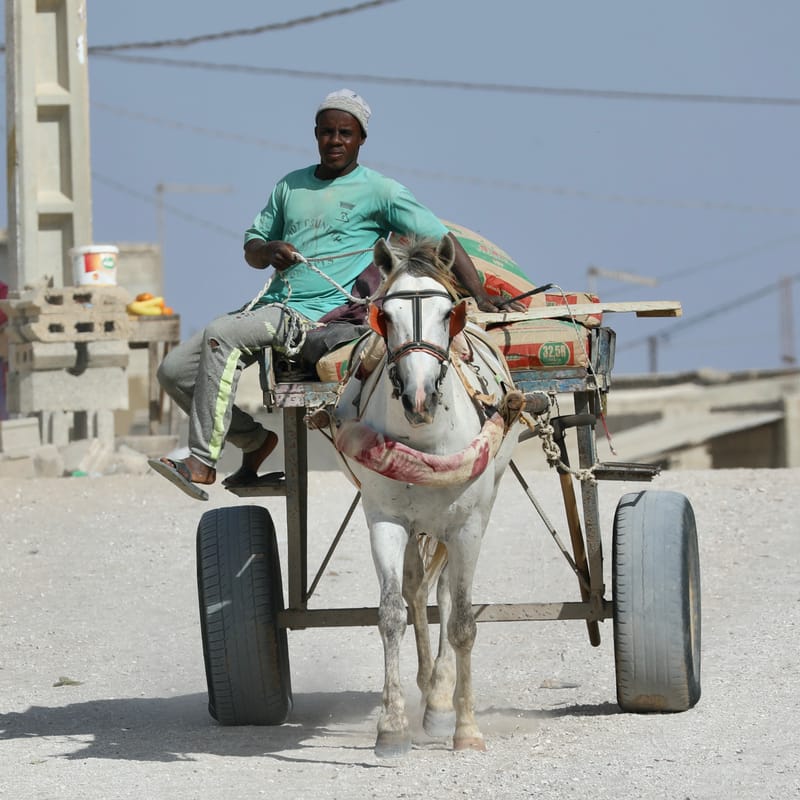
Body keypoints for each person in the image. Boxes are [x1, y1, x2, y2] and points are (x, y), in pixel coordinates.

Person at [149, 88, 517, 500]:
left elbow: (438, 235)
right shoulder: (290, 186)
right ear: (316, 134)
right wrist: (270, 250)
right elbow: (252, 247)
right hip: (276, 305)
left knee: (223, 332)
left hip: (321, 317)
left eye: (345, 133)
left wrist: (481, 296)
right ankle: (254, 441)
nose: (335, 141)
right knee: (174, 370)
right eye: (327, 132)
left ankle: (201, 462)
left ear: (361, 139)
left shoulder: (381, 190)